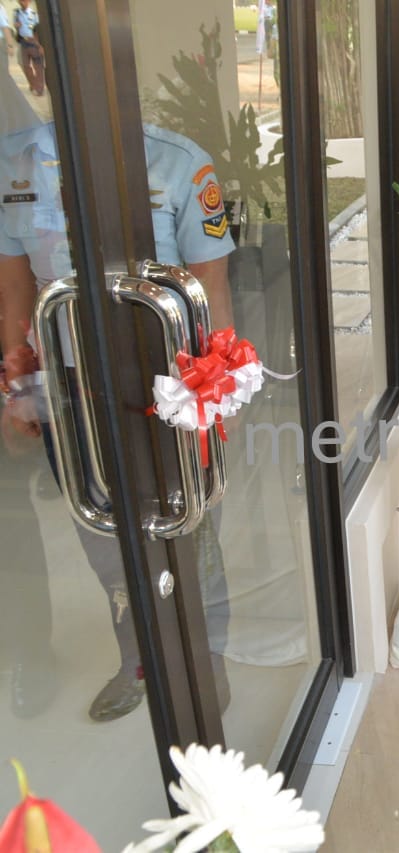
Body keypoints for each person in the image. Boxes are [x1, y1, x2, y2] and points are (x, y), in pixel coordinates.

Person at [0, 121, 235, 721]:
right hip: (69, 384)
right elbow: (14, 287)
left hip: (159, 380)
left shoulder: (176, 160)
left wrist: (211, 386)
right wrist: (24, 386)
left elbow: (210, 283)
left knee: (186, 518)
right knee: (99, 528)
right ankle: (138, 660)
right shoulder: (11, 162)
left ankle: (207, 658)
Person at [14, 0, 43, 97]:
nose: (22, 2)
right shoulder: (17, 13)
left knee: (38, 66)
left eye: (24, 1)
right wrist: (17, 27)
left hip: (33, 41)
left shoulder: (34, 14)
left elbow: (38, 30)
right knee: (25, 65)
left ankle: (39, 88)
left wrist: (40, 45)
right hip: (23, 41)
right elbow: (17, 27)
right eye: (20, 1)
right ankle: (33, 84)